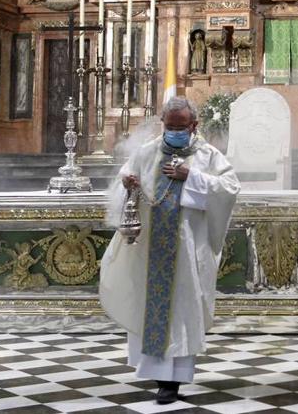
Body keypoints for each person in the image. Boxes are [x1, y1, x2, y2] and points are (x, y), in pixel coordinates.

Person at [100, 97, 240, 404]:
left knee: (181, 309)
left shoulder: (207, 155)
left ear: (194, 125)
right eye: (170, 126)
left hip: (187, 250)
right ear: (163, 124)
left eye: (181, 126)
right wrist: (128, 182)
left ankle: (173, 380)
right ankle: (155, 372)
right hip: (152, 250)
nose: (175, 131)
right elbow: (126, 177)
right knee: (152, 306)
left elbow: (230, 188)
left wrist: (192, 177)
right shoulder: (147, 151)